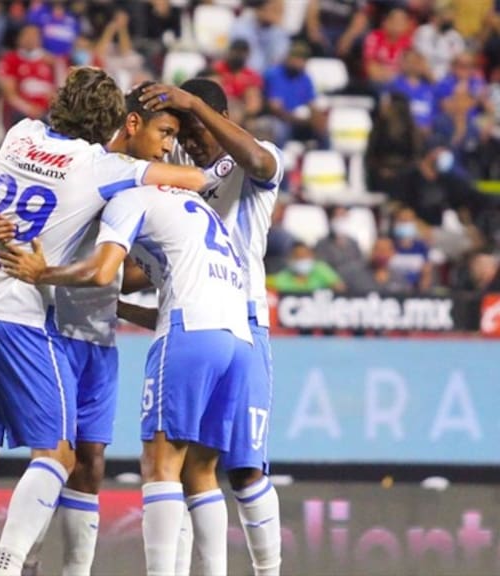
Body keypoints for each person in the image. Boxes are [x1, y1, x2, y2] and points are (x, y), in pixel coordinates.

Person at [0, 66, 208, 576]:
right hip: (23, 314)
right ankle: (7, 565)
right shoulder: (100, 166)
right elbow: (195, 179)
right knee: (57, 457)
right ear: (120, 122)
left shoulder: (19, 134)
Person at [0, 184, 254, 576]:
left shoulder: (131, 196)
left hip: (186, 330)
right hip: (236, 336)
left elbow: (104, 271)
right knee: (201, 470)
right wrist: (115, 305)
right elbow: (128, 280)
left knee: (159, 462)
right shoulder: (199, 211)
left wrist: (43, 272)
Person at [139, 77, 284, 576]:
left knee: (245, 469)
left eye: (198, 129)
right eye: (184, 132)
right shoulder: (182, 177)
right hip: (200, 316)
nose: (191, 141)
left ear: (218, 117)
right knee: (187, 469)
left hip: (247, 320)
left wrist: (195, 105)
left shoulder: (251, 157)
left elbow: (262, 164)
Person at [268, 242, 346, 293]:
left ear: (312, 256)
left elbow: (340, 287)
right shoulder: (283, 277)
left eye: (305, 255)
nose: (302, 258)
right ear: (290, 258)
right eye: (298, 256)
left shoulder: (321, 269)